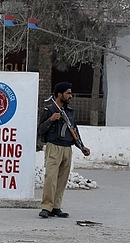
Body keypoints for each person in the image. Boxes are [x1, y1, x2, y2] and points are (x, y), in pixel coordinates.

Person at [37, 82, 91, 219]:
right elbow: (40, 129)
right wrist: (51, 119)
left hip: (68, 148)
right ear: (59, 94)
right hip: (54, 147)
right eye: (68, 93)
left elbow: (74, 130)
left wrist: (81, 146)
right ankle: (46, 207)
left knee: (62, 179)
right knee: (51, 178)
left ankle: (56, 207)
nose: (70, 96)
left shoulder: (69, 112)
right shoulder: (49, 110)